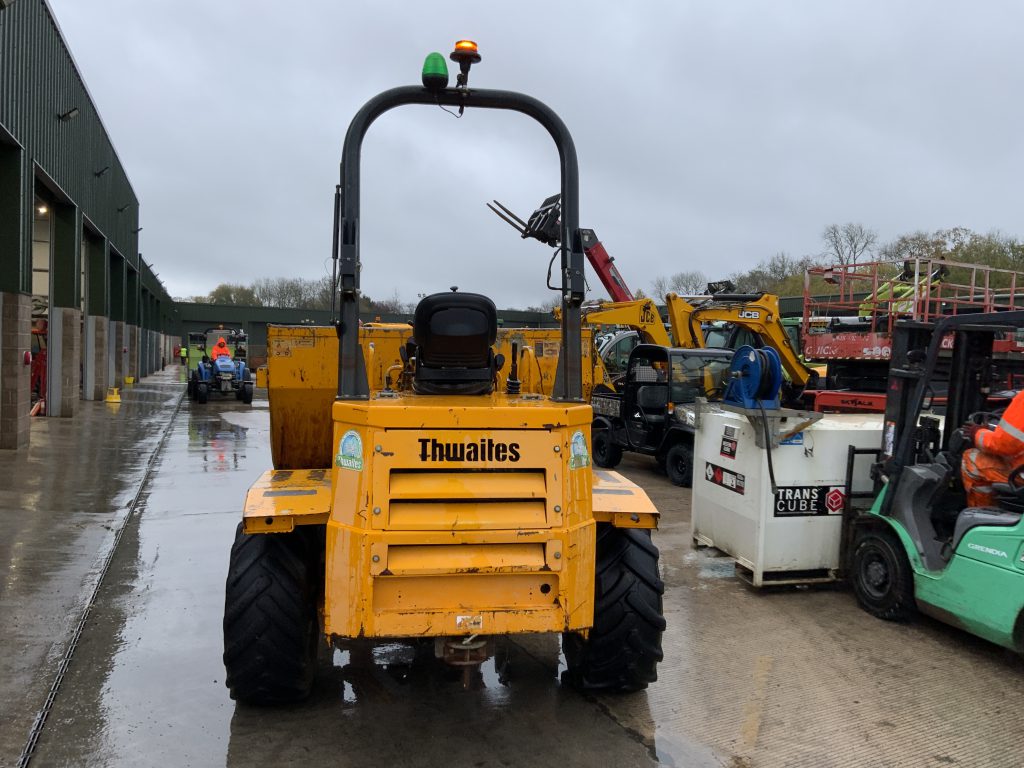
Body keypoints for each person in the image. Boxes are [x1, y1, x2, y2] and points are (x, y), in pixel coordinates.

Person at [960, 392, 1024, 506]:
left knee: (971, 460)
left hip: (1021, 476)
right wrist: (990, 431)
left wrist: (976, 433)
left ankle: (982, 512)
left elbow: (1004, 444)